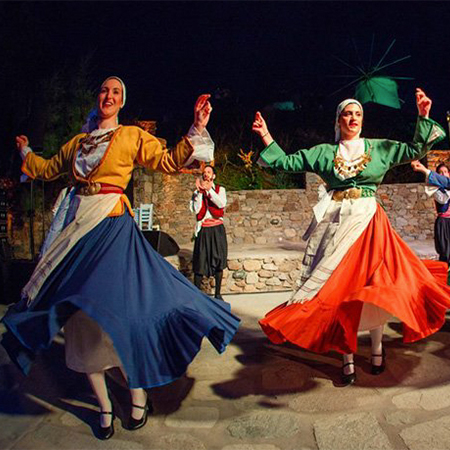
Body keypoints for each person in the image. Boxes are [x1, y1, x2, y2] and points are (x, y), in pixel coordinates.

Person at [1, 76, 240, 439]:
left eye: (116, 92)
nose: (108, 95)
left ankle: (138, 394)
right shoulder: (79, 144)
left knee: (123, 313)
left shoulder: (130, 136)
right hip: (77, 229)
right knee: (78, 321)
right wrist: (25, 153)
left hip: (111, 227)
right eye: (103, 90)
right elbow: (46, 169)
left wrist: (197, 127)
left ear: (122, 101)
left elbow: (167, 161)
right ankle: (104, 406)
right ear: (97, 98)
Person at [251, 88, 450, 386]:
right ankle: (347, 358)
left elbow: (413, 150)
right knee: (340, 291)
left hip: (370, 223)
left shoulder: (379, 148)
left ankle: (378, 352)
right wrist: (266, 136)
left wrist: (422, 116)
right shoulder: (324, 153)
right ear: (339, 120)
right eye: (348, 113)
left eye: (358, 113)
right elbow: (288, 162)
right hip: (338, 224)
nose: (353, 118)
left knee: (375, 286)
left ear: (362, 120)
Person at [190, 165, 228, 300]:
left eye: (209, 172)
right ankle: (196, 294)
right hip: (204, 230)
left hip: (217, 230)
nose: (206, 174)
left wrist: (209, 191)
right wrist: (200, 193)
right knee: (200, 260)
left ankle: (218, 294)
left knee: (218, 260)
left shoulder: (220, 190)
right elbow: (196, 210)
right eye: (204, 172)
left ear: (213, 176)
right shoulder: (196, 192)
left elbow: (221, 204)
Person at [411, 160, 450, 267]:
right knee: (445, 252)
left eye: (445, 172)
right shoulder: (435, 188)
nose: (443, 174)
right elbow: (443, 200)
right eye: (440, 173)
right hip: (444, 222)